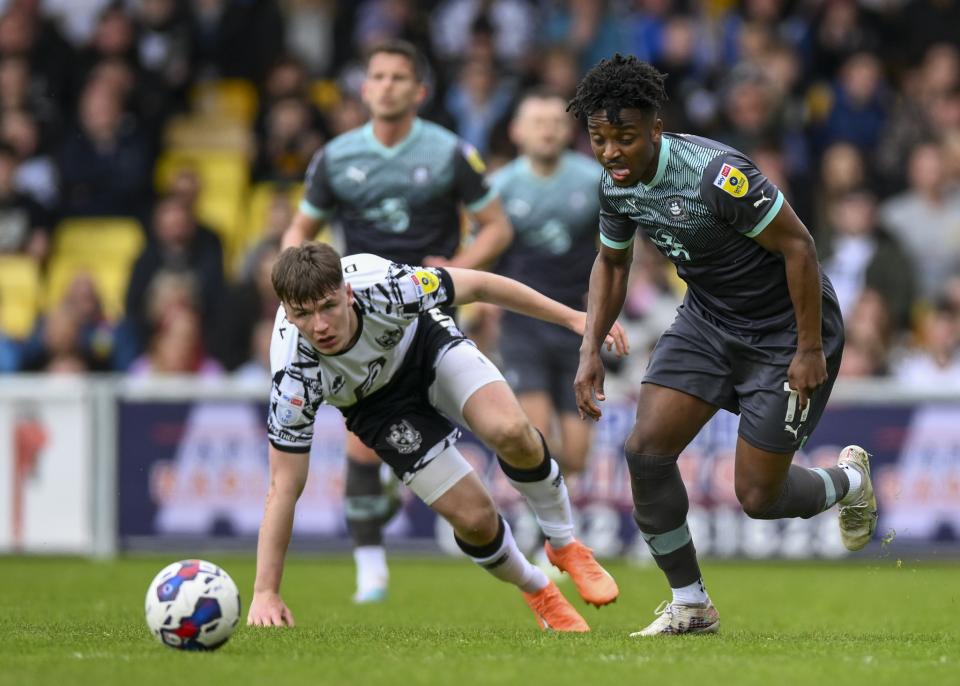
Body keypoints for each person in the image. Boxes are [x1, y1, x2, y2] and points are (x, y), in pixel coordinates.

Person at [567, 54, 879, 637]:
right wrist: (589, 351)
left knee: (759, 497)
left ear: (656, 130)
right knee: (646, 450)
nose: (611, 152)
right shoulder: (615, 185)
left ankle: (851, 482)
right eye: (599, 139)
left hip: (786, 330)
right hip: (708, 322)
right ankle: (691, 604)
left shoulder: (716, 176)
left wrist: (809, 348)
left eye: (625, 138)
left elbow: (800, 249)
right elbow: (612, 263)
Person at [246, 243, 626, 632]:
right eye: (303, 315)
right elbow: (284, 487)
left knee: (510, 430)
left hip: (424, 345)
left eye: (328, 306)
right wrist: (265, 592)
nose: (320, 325)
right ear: (288, 315)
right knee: (475, 520)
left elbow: (479, 286)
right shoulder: (293, 378)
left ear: (347, 293)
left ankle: (565, 544)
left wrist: (572, 319)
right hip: (376, 408)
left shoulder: (386, 286)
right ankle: (538, 589)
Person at [281, 39, 514, 603]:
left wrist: (459, 268)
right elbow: (298, 233)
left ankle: (517, 530)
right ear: (364, 89)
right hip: (355, 315)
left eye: (397, 77)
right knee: (365, 445)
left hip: (427, 305)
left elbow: (497, 226)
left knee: (489, 423)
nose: (385, 86)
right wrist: (287, 283)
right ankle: (370, 567)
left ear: (419, 91)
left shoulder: (450, 153)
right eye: (377, 76)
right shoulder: (335, 158)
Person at [490, 89, 602, 478]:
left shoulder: (593, 181)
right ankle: (551, 525)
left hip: (579, 321)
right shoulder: (499, 188)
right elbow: (486, 253)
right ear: (517, 131)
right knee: (535, 438)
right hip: (523, 322)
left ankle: (556, 515)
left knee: (576, 454)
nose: (548, 131)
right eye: (538, 122)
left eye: (556, 122)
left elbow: (616, 249)